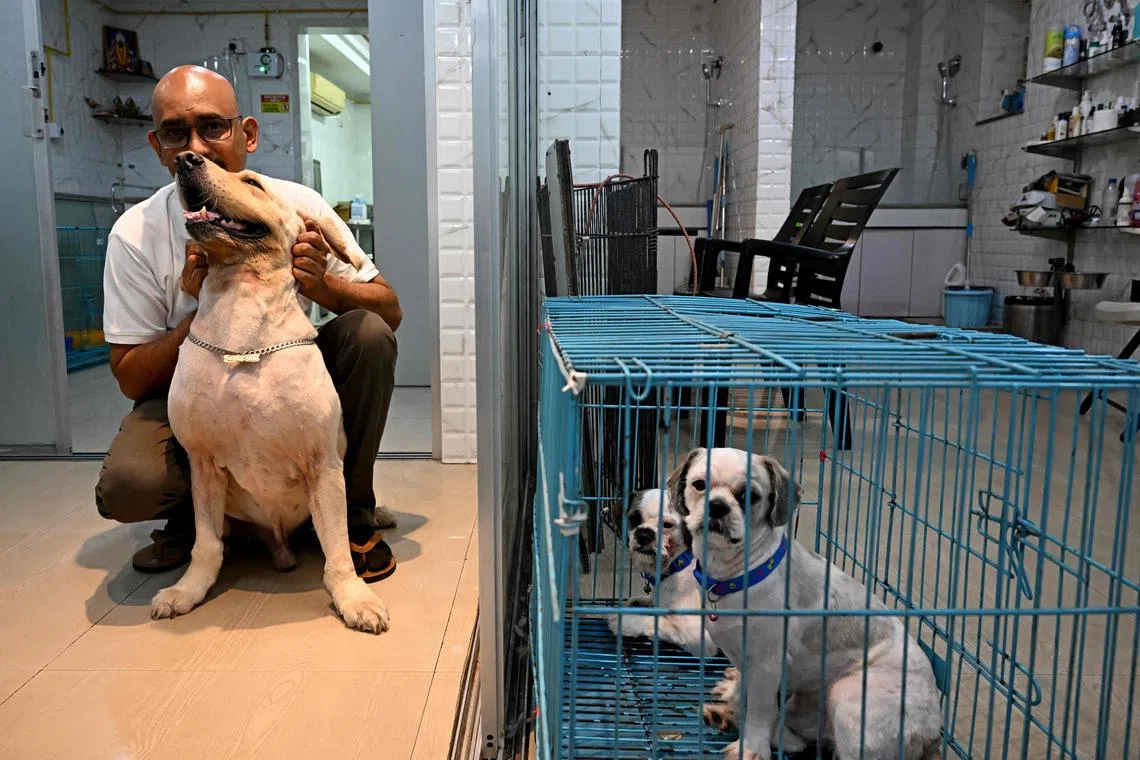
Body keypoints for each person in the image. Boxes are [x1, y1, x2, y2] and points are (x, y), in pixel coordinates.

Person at [96, 65, 402, 582]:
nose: (196, 148)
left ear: (248, 133)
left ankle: (349, 510)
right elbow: (129, 376)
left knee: (369, 334)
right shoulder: (135, 233)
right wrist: (202, 312)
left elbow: (389, 309)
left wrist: (324, 286)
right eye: (176, 133)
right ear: (157, 146)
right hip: (197, 394)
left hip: (285, 377)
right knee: (130, 483)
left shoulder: (288, 205)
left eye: (213, 126)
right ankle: (194, 525)